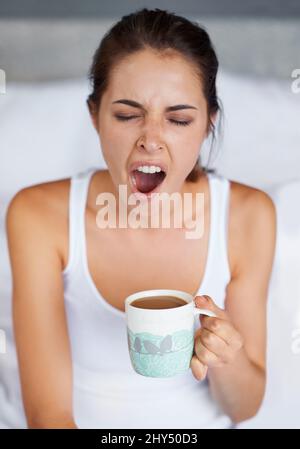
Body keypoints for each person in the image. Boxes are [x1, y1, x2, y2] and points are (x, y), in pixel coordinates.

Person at [6, 8, 276, 429]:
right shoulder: (38, 216)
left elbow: (242, 408)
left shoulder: (248, 217)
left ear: (207, 125)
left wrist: (226, 356)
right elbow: (49, 414)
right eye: (128, 115)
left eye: (179, 119)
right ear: (94, 118)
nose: (150, 139)